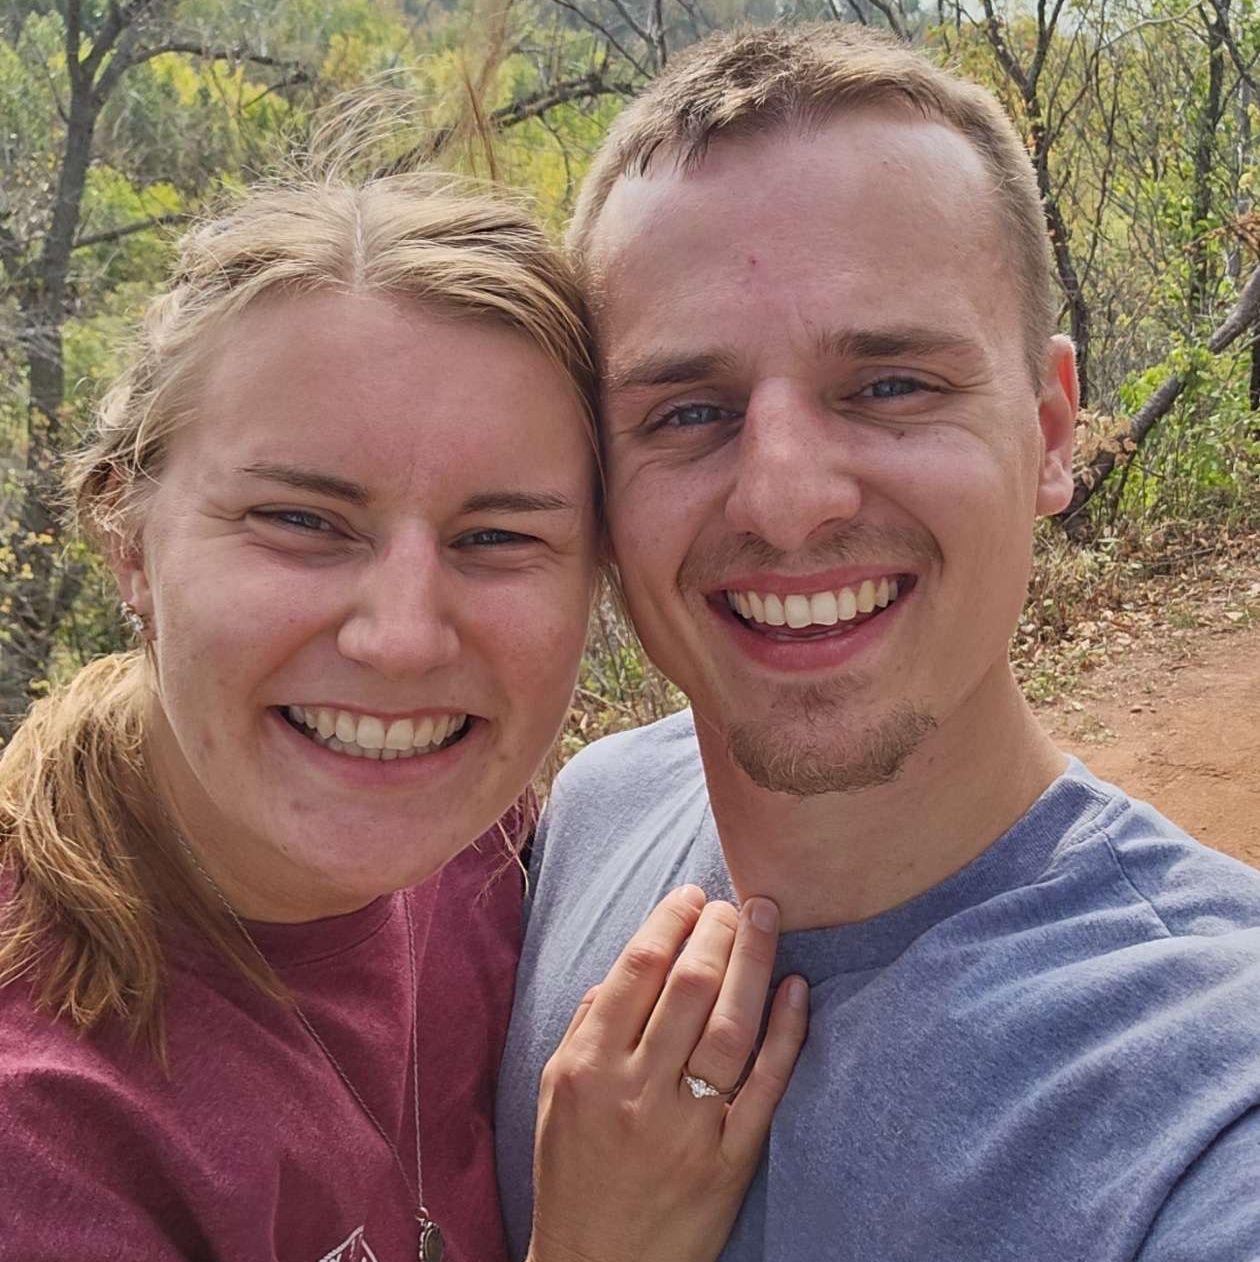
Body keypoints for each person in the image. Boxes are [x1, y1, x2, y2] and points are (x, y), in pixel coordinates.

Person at [496, 23, 1260, 1262]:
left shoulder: (1204, 1104)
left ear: (1054, 428)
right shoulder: (593, 814)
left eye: (892, 384)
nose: (787, 497)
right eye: (689, 411)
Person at [0, 154, 808, 1262]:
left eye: (497, 537)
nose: (404, 637)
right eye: (300, 520)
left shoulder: (497, 855)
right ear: (127, 538)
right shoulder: (45, 1128)